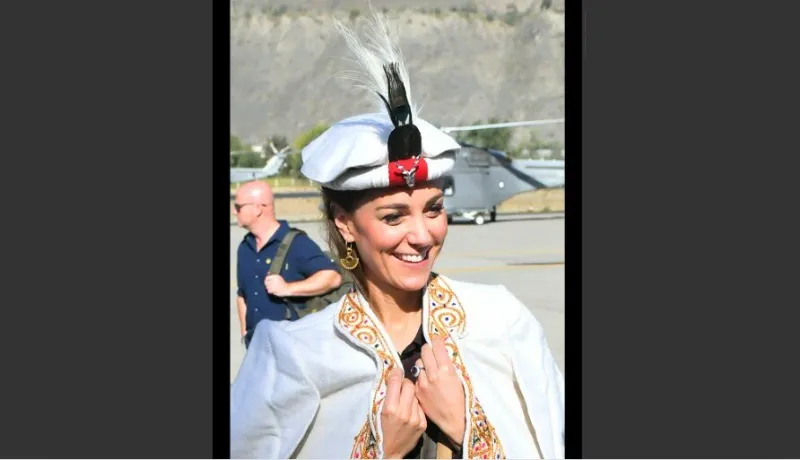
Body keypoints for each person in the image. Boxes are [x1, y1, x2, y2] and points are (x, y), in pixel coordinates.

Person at [230, 10, 564, 459]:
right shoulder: (292, 357)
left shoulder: (501, 322)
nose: (422, 235)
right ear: (344, 223)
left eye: (434, 209)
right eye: (393, 217)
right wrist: (383, 452)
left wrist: (465, 429)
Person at [233, 180, 342, 348]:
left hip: (291, 347)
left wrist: (287, 288)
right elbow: (242, 295)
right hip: (257, 346)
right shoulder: (244, 248)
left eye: (238, 207)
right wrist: (245, 335)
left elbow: (332, 277)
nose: (234, 211)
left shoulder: (296, 243)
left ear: (258, 209)